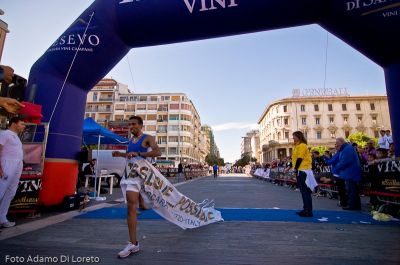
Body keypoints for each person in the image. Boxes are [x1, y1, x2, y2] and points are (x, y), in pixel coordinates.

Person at [112, 115, 161, 258]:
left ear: (140, 125)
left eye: (133, 124)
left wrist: (139, 152)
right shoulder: (130, 141)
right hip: (132, 176)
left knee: (165, 201)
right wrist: (120, 154)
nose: (131, 127)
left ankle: (144, 203)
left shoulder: (148, 138)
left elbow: (158, 152)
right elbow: (130, 156)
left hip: (145, 176)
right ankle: (133, 243)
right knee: (130, 206)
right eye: (129, 124)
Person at [0, 117, 25, 228]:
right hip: (7, 164)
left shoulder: (17, 138)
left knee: (11, 192)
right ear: (14, 124)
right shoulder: (5, 134)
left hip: (17, 165)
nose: (24, 126)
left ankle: (2, 218)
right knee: (1, 190)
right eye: (22, 123)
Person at [291, 131, 316, 217]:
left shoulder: (302, 146)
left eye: (294, 136)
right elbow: (294, 159)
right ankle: (306, 209)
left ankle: (308, 211)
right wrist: (290, 167)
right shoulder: (296, 146)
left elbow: (300, 158)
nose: (293, 138)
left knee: (305, 192)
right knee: (303, 191)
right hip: (301, 170)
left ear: (298, 137)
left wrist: (295, 169)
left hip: (303, 170)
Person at [334, 138, 362, 210]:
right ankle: (356, 205)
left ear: (341, 142)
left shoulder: (347, 149)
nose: (336, 144)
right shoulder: (348, 148)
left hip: (351, 172)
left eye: (337, 143)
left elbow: (345, 161)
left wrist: (337, 167)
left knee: (351, 189)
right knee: (353, 189)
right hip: (351, 171)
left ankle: (352, 205)